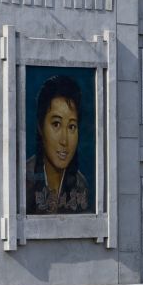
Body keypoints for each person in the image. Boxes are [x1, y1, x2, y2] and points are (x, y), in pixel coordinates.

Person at [26, 75, 90, 214]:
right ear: (40, 127)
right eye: (56, 124)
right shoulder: (23, 180)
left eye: (72, 126)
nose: (64, 141)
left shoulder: (81, 186)